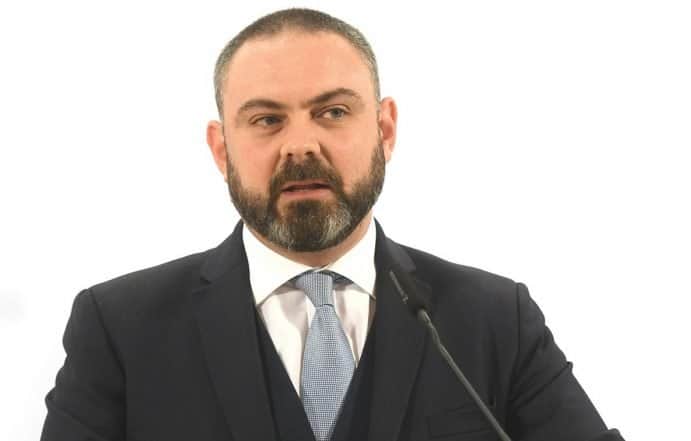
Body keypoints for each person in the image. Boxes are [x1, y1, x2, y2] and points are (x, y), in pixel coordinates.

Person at [40, 8, 624, 441]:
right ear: (221, 149)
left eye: (333, 112)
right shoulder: (118, 329)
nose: (300, 145)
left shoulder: (496, 319)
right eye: (266, 119)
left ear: (384, 130)